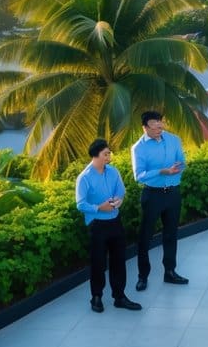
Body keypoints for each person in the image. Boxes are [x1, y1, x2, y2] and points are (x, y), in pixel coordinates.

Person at [74, 138, 141, 312]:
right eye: (105, 154)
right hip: (97, 225)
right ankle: (96, 297)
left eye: (109, 153)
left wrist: (119, 201)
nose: (108, 156)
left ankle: (119, 296)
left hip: (115, 222)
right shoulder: (84, 178)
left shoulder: (113, 172)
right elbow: (80, 204)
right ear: (95, 156)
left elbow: (121, 191)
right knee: (98, 263)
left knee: (119, 260)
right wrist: (98, 208)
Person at [131, 110, 189, 291]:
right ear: (145, 127)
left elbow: (182, 161)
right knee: (145, 237)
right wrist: (162, 171)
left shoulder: (173, 140)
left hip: (172, 193)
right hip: (152, 195)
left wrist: (178, 168)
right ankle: (142, 276)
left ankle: (170, 272)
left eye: (161, 124)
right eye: (155, 126)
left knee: (171, 234)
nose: (159, 128)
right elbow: (139, 175)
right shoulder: (138, 148)